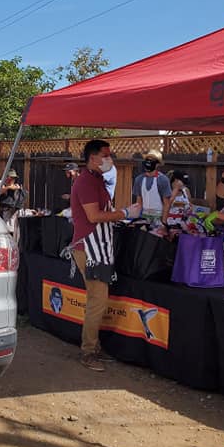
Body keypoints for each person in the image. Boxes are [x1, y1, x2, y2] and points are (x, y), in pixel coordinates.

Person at [70, 139, 141, 371]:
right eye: (106, 155)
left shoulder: (96, 179)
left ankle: (93, 346)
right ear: (93, 158)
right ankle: (88, 351)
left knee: (98, 300)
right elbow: (94, 216)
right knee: (97, 302)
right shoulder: (86, 182)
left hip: (96, 247)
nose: (110, 159)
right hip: (89, 249)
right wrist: (125, 213)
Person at [133, 149, 171, 222]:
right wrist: (137, 219)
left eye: (152, 160)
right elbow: (139, 202)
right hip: (144, 218)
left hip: (159, 219)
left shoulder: (162, 180)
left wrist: (163, 222)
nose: (149, 162)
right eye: (147, 159)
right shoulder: (139, 179)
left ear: (157, 164)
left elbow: (167, 204)